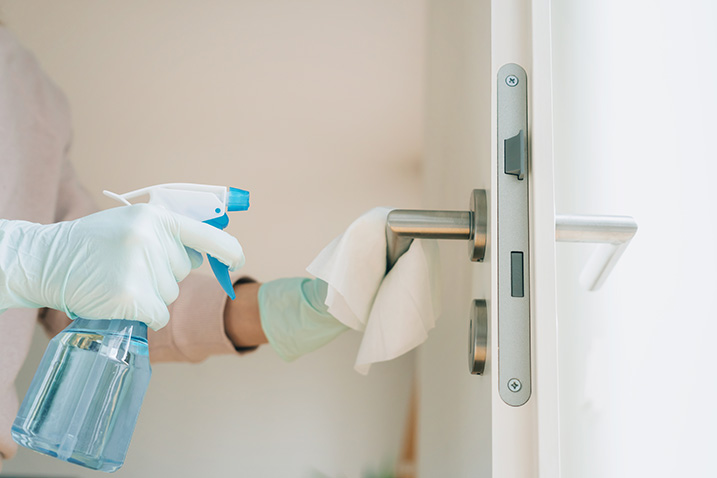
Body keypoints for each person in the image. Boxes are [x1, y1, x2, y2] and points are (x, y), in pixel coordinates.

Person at [0, 25, 350, 470]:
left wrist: (269, 310)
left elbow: (95, 296)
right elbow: (50, 264)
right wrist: (17, 260)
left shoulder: (35, 97)